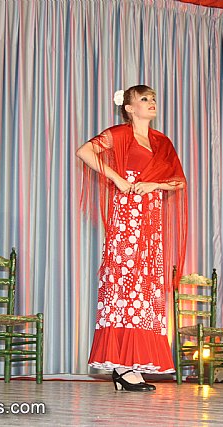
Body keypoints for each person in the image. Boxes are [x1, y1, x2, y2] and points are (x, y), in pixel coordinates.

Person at [77, 85, 187, 391]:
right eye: (144, 99)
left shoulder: (161, 141)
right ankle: (121, 365)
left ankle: (133, 363)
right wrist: (118, 178)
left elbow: (177, 182)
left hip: (151, 217)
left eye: (153, 98)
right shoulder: (120, 133)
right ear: (129, 108)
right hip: (126, 214)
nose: (151, 103)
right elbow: (84, 152)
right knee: (124, 282)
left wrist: (154, 186)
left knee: (145, 286)